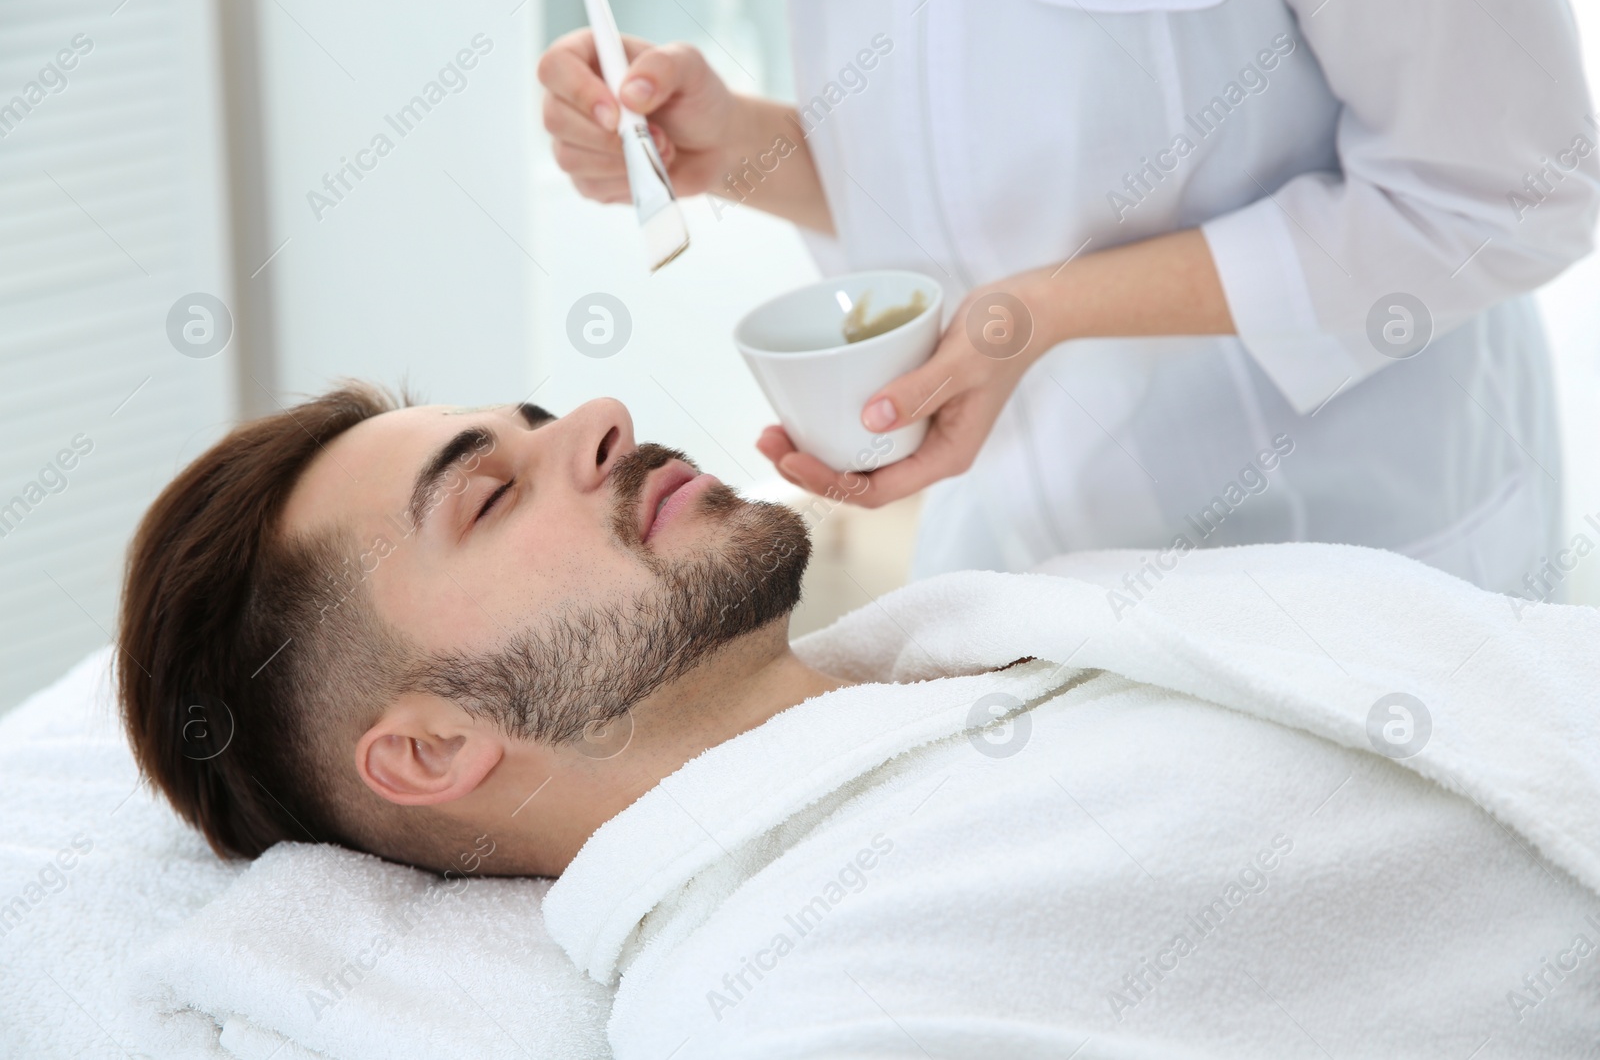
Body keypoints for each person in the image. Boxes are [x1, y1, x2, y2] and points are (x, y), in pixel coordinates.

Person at [116, 383, 1600, 1057]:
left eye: (537, 414)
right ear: (434, 746)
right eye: (491, 492)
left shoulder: (999, 632)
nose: (601, 419)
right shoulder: (794, 991)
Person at [537, 0, 1599, 592]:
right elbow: (964, 178)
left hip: (1350, 552)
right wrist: (737, 148)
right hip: (1026, 566)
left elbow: (1509, 191)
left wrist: (1050, 311)